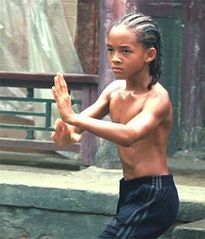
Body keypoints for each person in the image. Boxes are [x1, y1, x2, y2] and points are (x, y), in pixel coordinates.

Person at [52, 13, 179, 239]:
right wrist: (65, 135)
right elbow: (74, 129)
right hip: (130, 190)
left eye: (125, 51)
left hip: (155, 194)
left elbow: (129, 134)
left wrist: (72, 117)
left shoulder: (157, 98)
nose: (115, 58)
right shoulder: (113, 91)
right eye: (111, 50)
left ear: (149, 54)